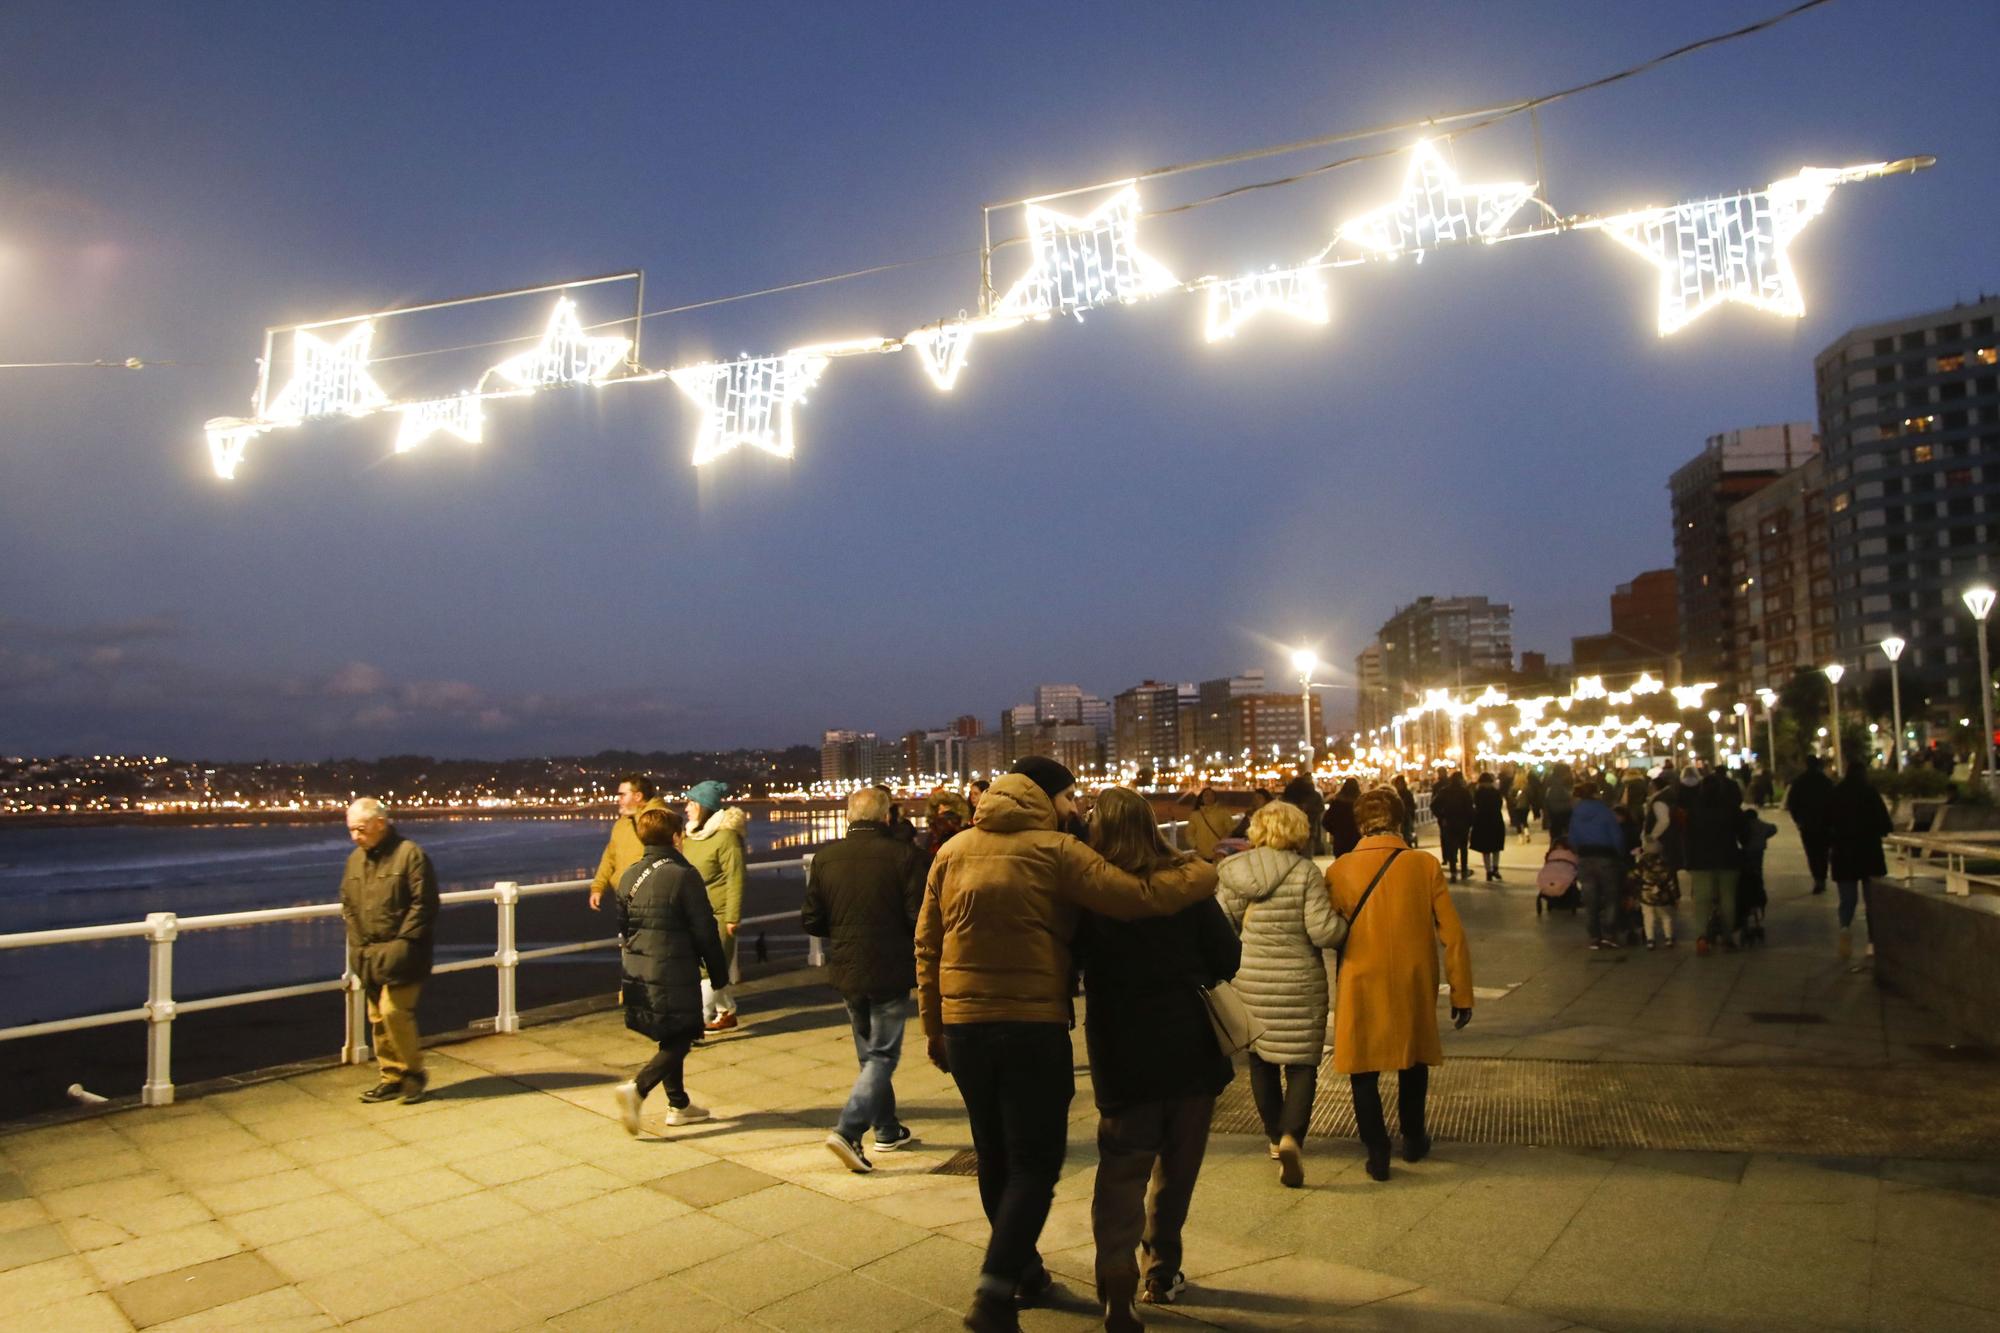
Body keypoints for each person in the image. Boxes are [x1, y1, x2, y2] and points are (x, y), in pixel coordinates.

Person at [916, 757, 1218, 1333]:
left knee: (994, 1154)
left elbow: (927, 946)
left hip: (964, 1027)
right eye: (1071, 797)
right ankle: (993, 1289)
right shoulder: (1056, 851)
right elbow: (1137, 896)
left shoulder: (951, 852)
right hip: (1031, 1026)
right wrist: (1202, 874)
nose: (1077, 807)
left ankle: (1022, 1276)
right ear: (1046, 798)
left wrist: (934, 1027)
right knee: (1035, 1163)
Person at [1078, 788, 1240, 1327]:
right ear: (1151, 826)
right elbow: (1228, 955)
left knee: (1121, 1170)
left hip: (1123, 1050)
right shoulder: (1187, 884)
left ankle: (1116, 1285)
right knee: (1178, 1165)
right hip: (1190, 1044)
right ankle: (1162, 1267)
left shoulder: (1090, 893)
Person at [1326, 788, 1473, 1181]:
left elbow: (1330, 927)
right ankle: (1413, 1136)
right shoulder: (1423, 864)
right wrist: (1462, 992)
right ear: (1401, 819)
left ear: (1360, 823)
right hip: (1413, 975)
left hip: (1360, 974)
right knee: (1413, 1059)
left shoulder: (1339, 869)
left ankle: (1377, 1149)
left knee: (1363, 1065)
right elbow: (1453, 933)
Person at [1216, 800, 1345, 1190]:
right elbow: (1322, 932)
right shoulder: (1305, 871)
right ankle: (1293, 1136)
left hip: (1252, 979)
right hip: (1299, 982)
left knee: (1261, 1061)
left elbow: (1221, 921)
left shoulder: (1235, 871)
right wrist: (1346, 925)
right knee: (1302, 1064)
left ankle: (1274, 1138)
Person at [802, 787, 928, 1171]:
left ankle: (887, 1129)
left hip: (847, 967)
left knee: (869, 1054)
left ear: (848, 816)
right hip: (889, 967)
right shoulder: (905, 856)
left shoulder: (825, 859)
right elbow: (917, 917)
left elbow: (812, 919)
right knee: (883, 1055)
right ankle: (849, 1130)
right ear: (886, 816)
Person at [611, 806, 731, 1135]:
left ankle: (678, 1105)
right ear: (677, 837)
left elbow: (624, 927)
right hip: (674, 967)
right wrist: (718, 974)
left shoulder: (629, 875)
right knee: (683, 1035)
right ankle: (638, 1088)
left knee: (670, 1034)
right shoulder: (684, 875)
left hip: (639, 967)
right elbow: (705, 929)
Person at [339, 798, 439, 1104]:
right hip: (368, 952)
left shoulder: (410, 855)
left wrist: (403, 944)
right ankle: (390, 1076)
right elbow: (348, 904)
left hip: (405, 953)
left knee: (394, 1011)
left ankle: (413, 1072)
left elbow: (424, 904)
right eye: (351, 830)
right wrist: (357, 944)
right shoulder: (355, 861)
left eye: (360, 829)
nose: (356, 836)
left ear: (380, 823)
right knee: (377, 1019)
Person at [682, 780, 748, 1031]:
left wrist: (732, 917)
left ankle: (698, 1020)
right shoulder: (692, 836)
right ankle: (727, 1012)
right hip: (694, 913)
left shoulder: (726, 837)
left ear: (704, 806)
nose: (686, 808)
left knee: (708, 970)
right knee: (706, 969)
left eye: (691, 803)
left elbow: (736, 877)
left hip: (718, 915)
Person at [1826, 754, 1893, 960]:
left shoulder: (1836, 794)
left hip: (1844, 855)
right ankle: (1872, 942)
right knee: (1871, 901)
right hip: (1869, 854)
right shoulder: (1870, 793)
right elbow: (1885, 825)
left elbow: (1827, 823)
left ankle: (1845, 928)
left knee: (1847, 899)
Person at [587, 773, 669, 913]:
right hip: (626, 900)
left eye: (622, 795)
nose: (618, 800)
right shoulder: (622, 824)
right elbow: (609, 858)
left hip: (653, 901)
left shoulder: (661, 820)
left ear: (637, 796)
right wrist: (598, 887)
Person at [1685, 771, 1747, 952]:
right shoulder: (1731, 807)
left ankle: (1702, 936)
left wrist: (1688, 859)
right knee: (1728, 899)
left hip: (1700, 860)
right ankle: (1727, 936)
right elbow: (1744, 832)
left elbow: (1688, 836)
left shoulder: (1695, 809)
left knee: (1702, 900)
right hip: (1727, 858)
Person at [1568, 780, 1626, 949]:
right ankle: (1609, 934)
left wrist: (1579, 850)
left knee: (1590, 898)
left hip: (1585, 857)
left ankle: (1594, 936)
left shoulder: (1576, 813)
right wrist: (1619, 853)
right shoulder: (1605, 811)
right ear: (1596, 793)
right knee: (1611, 896)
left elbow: (1572, 838)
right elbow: (1616, 835)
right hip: (1606, 856)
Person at [1785, 756, 1835, 895]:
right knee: (1823, 851)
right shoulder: (1826, 781)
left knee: (1812, 852)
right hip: (1824, 823)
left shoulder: (1800, 782)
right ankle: (1822, 877)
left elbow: (1792, 803)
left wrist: (1798, 820)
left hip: (1807, 823)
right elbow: (1833, 802)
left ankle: (1817, 878)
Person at [1431, 772, 1473, 882]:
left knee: (1451, 848)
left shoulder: (1444, 792)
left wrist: (1441, 816)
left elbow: (1433, 805)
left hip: (1449, 822)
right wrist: (1471, 822)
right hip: (1463, 823)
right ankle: (1464, 870)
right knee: (1463, 848)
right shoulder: (1464, 792)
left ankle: (1453, 872)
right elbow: (1470, 808)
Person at [1469, 772, 1507, 882]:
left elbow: (1475, 805)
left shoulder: (1478, 793)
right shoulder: (1495, 792)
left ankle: (1488, 871)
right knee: (1496, 847)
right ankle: (1495, 868)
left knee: (1485, 849)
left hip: (1482, 822)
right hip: (1495, 821)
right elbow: (1499, 805)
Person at [1280, 769, 1326, 855]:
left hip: (1290, 829)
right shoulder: (1314, 795)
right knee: (1306, 856)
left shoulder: (1289, 794)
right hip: (1309, 828)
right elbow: (1320, 808)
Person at [1183, 787, 1236, 860]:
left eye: (1211, 795)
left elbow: (1231, 830)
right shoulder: (1195, 815)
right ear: (1201, 799)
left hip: (1220, 854)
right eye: (1206, 795)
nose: (1209, 798)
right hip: (1202, 855)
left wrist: (1222, 845)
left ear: (1215, 797)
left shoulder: (1223, 812)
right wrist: (1196, 846)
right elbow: (1189, 834)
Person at [1323, 778, 1362, 858]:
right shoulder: (1361, 803)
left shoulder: (1337, 803)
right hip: (1358, 840)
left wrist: (1335, 831)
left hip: (1340, 840)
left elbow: (1326, 821)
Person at [1542, 763, 1574, 844]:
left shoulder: (1557, 784)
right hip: (1559, 820)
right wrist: (1572, 806)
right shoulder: (1557, 786)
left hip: (1557, 820)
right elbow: (1555, 806)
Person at [1393, 774, 1419, 847]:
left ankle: (1408, 843)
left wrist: (1411, 814)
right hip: (1398, 818)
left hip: (1406, 817)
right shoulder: (1395, 794)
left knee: (1407, 833)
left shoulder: (1407, 793)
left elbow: (1412, 805)